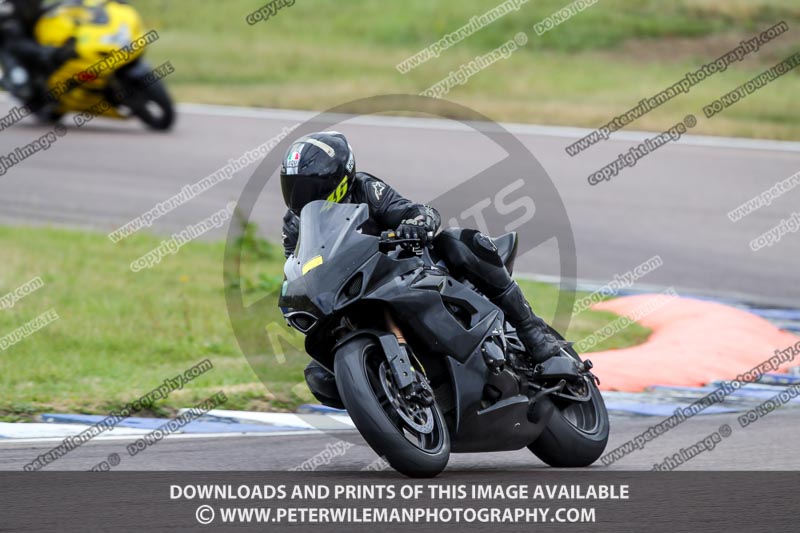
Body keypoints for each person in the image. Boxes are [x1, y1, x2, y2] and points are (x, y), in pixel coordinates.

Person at [280, 131, 569, 408]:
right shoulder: (295, 225)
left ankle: (533, 333)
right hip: (353, 292)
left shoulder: (365, 189)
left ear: (337, 178)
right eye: (292, 187)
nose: (299, 196)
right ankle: (385, 398)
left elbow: (415, 211)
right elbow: (300, 265)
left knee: (458, 242)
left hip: (406, 269)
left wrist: (415, 224)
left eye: (308, 186)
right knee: (320, 376)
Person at [0, 0, 75, 113]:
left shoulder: (40, 4)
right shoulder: (8, 7)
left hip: (33, 39)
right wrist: (45, 51)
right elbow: (15, 42)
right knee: (22, 84)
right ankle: (15, 80)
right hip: (10, 47)